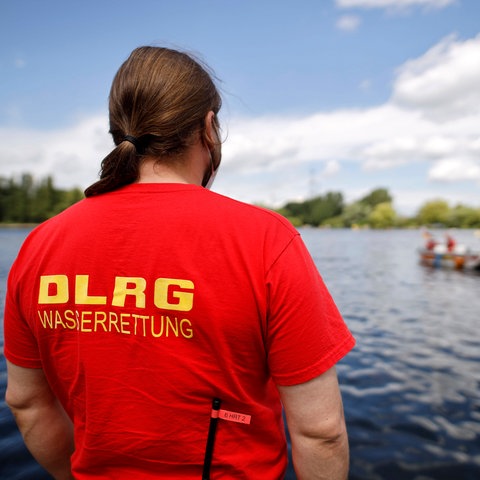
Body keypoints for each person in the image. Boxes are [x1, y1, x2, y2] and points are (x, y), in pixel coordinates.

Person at [4, 46, 355, 480]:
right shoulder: (266, 240)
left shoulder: (40, 244)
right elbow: (321, 432)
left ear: (120, 129)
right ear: (208, 127)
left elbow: (26, 403)